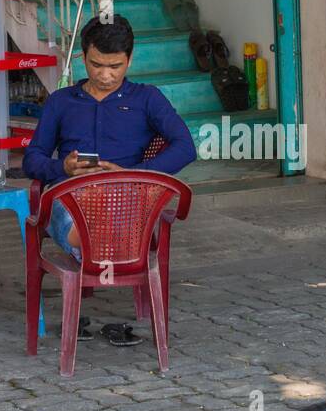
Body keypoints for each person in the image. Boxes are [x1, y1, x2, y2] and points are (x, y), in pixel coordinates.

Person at [23, 14, 196, 260]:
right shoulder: (60, 101)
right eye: (96, 65)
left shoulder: (147, 98)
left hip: (126, 195)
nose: (105, 75)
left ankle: (96, 252)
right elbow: (32, 159)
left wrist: (133, 175)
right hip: (70, 194)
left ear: (130, 59)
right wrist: (63, 167)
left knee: (112, 218)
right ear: (83, 58)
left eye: (115, 66)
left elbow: (185, 148)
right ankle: (103, 250)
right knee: (65, 215)